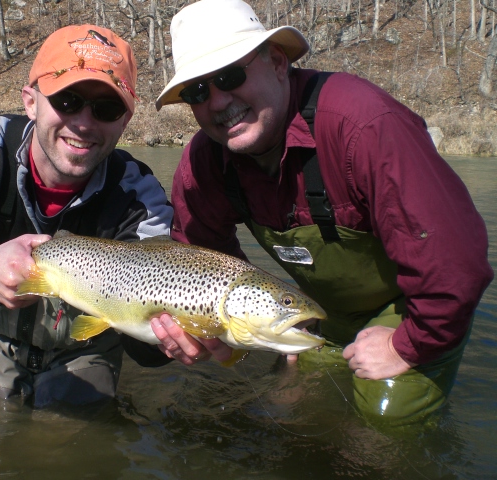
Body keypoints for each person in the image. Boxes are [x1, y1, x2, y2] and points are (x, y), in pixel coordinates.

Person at [150, 0, 494, 425]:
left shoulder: (364, 126)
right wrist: (205, 330)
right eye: (198, 92)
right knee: (288, 412)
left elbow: (455, 267)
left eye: (229, 76)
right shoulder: (205, 163)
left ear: (277, 62)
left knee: (385, 419)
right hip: (316, 309)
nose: (218, 102)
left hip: (415, 304)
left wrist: (407, 345)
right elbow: (196, 265)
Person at [0, 25, 175, 409]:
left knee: (67, 442)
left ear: (124, 121)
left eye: (106, 108)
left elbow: (149, 353)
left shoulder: (140, 197)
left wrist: (174, 338)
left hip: (86, 345)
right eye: (67, 100)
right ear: (30, 102)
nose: (84, 123)